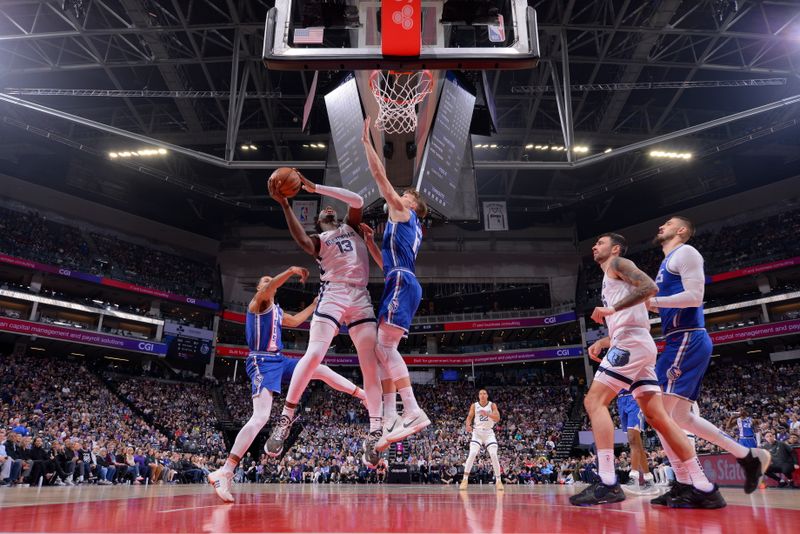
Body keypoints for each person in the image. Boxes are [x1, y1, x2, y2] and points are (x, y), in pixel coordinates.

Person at [571, 233, 724, 508]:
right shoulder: (612, 278)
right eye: (594, 243)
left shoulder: (618, 263)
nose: (594, 246)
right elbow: (635, 314)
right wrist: (606, 339)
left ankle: (607, 481)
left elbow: (650, 287)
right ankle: (703, 485)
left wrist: (611, 310)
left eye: (600, 243)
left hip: (630, 344)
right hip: (637, 343)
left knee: (594, 401)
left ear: (615, 248)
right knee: (658, 417)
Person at [208, 267, 366, 503]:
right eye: (265, 281)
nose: (268, 283)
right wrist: (291, 271)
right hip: (261, 360)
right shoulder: (258, 302)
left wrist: (314, 305)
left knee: (318, 369)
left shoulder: (277, 310)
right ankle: (226, 470)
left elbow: (295, 320)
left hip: (279, 360)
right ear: (261, 288)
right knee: (260, 417)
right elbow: (271, 287)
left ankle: (361, 393)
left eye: (269, 281)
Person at [265, 174, 385, 467]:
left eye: (329, 210)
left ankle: (375, 431)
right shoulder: (319, 241)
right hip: (333, 293)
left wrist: (313, 187)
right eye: (322, 212)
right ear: (319, 223)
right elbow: (303, 241)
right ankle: (286, 418)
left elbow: (356, 200)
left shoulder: (352, 227)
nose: (327, 210)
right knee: (315, 354)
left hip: (359, 296)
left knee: (370, 361)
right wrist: (285, 205)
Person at [647, 216, 770, 496]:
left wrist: (653, 301)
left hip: (687, 337)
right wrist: (656, 307)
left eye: (667, 224)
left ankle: (688, 482)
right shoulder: (665, 264)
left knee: (660, 415)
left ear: (681, 231)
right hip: (680, 338)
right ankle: (748, 457)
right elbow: (674, 302)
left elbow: (694, 296)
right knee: (682, 419)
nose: (660, 227)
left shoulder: (686, 253)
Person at [360, 116, 430, 450]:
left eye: (407, 195)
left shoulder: (404, 212)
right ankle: (390, 412)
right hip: (399, 278)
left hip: (402, 282)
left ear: (414, 206)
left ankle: (412, 409)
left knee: (383, 349)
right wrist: (373, 244)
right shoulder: (406, 227)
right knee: (382, 350)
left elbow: (379, 178)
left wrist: (367, 145)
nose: (401, 196)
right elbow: (387, 264)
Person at [459, 389, 504, 492]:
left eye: (484, 393)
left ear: (487, 395)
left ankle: (498, 480)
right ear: (478, 396)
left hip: (489, 433)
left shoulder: (492, 405)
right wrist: (467, 425)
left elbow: (497, 418)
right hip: (477, 432)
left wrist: (487, 414)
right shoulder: (474, 405)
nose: (482, 395)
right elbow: (469, 417)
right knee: (473, 453)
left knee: (493, 454)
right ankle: (465, 480)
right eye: (480, 394)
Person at [617, 390, 656, 493]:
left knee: (633, 439)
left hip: (634, 397)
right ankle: (649, 480)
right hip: (621, 399)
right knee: (637, 445)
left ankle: (634, 479)